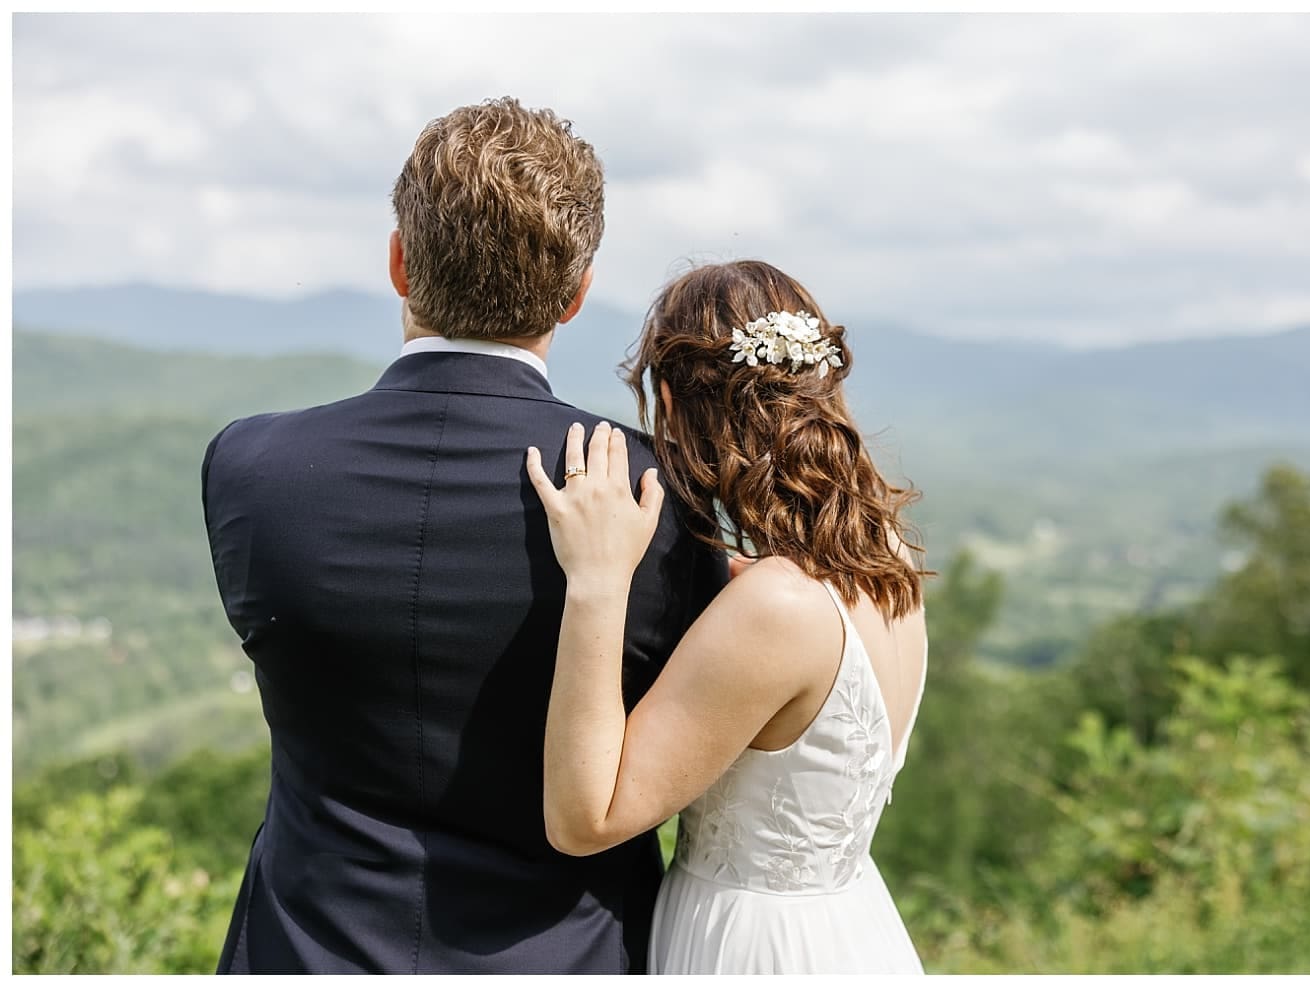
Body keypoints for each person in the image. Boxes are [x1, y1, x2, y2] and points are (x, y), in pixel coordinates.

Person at [201, 98, 724, 974]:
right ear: (577, 291)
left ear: (400, 262)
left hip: (302, 947)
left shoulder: (249, 468)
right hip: (567, 955)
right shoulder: (658, 492)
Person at [526, 260, 930, 974]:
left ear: (674, 407)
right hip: (849, 925)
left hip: (751, 948)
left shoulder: (775, 606)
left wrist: (597, 580)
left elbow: (585, 817)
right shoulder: (886, 559)